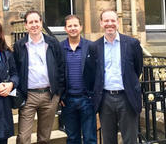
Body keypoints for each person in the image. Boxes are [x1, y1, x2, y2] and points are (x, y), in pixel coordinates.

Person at [87, 10, 143, 144]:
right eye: (106, 21)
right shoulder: (94, 47)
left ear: (118, 23)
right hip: (105, 99)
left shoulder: (132, 44)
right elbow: (92, 74)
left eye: (112, 20)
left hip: (127, 97)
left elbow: (137, 68)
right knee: (108, 140)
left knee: (130, 140)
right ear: (101, 23)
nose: (109, 24)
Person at [13, 10, 65, 144]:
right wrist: (18, 92)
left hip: (49, 95)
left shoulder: (52, 43)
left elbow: (61, 67)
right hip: (28, 95)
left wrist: (58, 93)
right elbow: (15, 71)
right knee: (23, 138)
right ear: (26, 25)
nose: (34, 25)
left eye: (37, 21)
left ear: (41, 23)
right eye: (31, 22)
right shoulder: (20, 45)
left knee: (44, 137)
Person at [60, 15, 97, 144]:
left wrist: (93, 95)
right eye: (69, 26)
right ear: (65, 29)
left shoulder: (91, 46)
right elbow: (57, 74)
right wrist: (60, 96)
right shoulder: (60, 48)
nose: (73, 28)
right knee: (72, 138)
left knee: (90, 138)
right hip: (68, 100)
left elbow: (96, 72)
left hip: (87, 99)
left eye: (75, 25)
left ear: (81, 27)